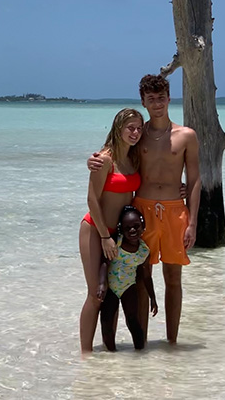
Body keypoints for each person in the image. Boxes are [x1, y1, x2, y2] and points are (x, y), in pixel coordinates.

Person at [88, 74, 201, 344]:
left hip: (176, 211)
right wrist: (92, 160)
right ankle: (142, 345)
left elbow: (195, 179)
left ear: (169, 99)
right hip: (142, 212)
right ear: (143, 102)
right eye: (151, 99)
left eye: (161, 98)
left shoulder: (187, 136)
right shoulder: (139, 135)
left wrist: (193, 222)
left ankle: (172, 343)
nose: (157, 103)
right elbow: (113, 154)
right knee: (140, 277)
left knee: (173, 278)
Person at [79, 108, 144, 355]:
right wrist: (105, 237)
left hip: (118, 234)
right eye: (130, 127)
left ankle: (109, 351)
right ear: (118, 129)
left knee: (113, 293)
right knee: (96, 293)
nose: (135, 132)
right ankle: (85, 355)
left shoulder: (134, 159)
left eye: (139, 127)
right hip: (95, 230)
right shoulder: (104, 159)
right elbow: (92, 199)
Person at [97, 205, 158, 351]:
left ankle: (140, 353)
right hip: (111, 288)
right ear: (121, 230)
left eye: (136, 226)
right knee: (106, 321)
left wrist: (153, 298)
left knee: (133, 321)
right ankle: (111, 353)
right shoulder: (116, 243)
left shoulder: (144, 251)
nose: (132, 230)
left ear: (143, 226)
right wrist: (101, 284)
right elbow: (105, 263)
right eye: (127, 227)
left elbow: (146, 276)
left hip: (129, 288)